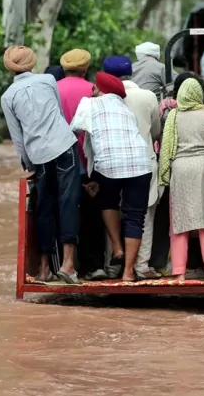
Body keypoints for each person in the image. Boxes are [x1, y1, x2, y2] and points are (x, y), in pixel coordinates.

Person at [0, 46, 81, 285]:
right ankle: (68, 265)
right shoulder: (47, 80)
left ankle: (44, 269)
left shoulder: (8, 96)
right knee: (68, 202)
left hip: (39, 154)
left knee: (44, 206)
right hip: (65, 146)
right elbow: (58, 113)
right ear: (31, 63)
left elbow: (17, 136)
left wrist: (28, 163)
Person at [70, 72, 153, 283]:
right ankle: (128, 273)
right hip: (141, 163)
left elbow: (73, 130)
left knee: (107, 202)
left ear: (100, 90)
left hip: (110, 164)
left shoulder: (89, 104)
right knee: (135, 217)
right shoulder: (126, 110)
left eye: (95, 88)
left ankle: (117, 248)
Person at [103, 56, 163, 279]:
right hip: (142, 162)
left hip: (108, 163)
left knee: (112, 212)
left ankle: (113, 265)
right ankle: (140, 266)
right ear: (133, 74)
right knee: (142, 214)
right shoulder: (147, 97)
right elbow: (157, 131)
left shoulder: (102, 99)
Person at [56, 48, 108, 281]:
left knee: (65, 209)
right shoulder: (93, 90)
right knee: (92, 212)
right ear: (86, 69)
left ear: (64, 68)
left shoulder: (53, 89)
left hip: (60, 159)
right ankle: (94, 265)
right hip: (90, 160)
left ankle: (64, 263)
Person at [158, 79, 204, 281]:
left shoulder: (174, 115)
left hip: (180, 169)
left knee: (178, 222)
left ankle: (179, 271)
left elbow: (166, 146)